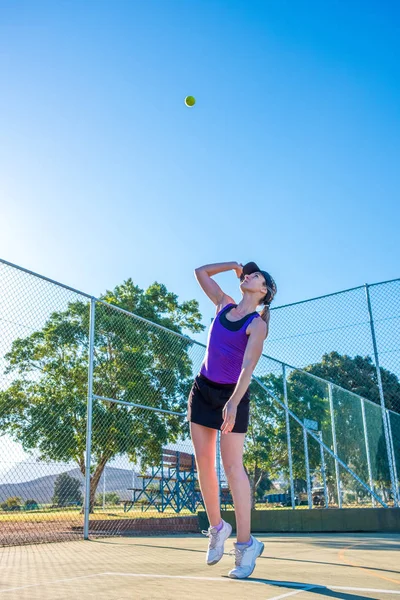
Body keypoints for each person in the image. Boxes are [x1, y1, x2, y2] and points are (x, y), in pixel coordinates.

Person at [187, 261, 277, 579]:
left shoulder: (257, 324)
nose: (249, 276)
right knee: (204, 464)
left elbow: (248, 365)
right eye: (248, 273)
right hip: (203, 390)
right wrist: (234, 266)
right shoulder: (223, 304)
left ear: (263, 291)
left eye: (256, 276)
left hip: (232, 395)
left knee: (233, 468)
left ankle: (245, 544)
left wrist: (234, 403)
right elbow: (200, 272)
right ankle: (217, 528)